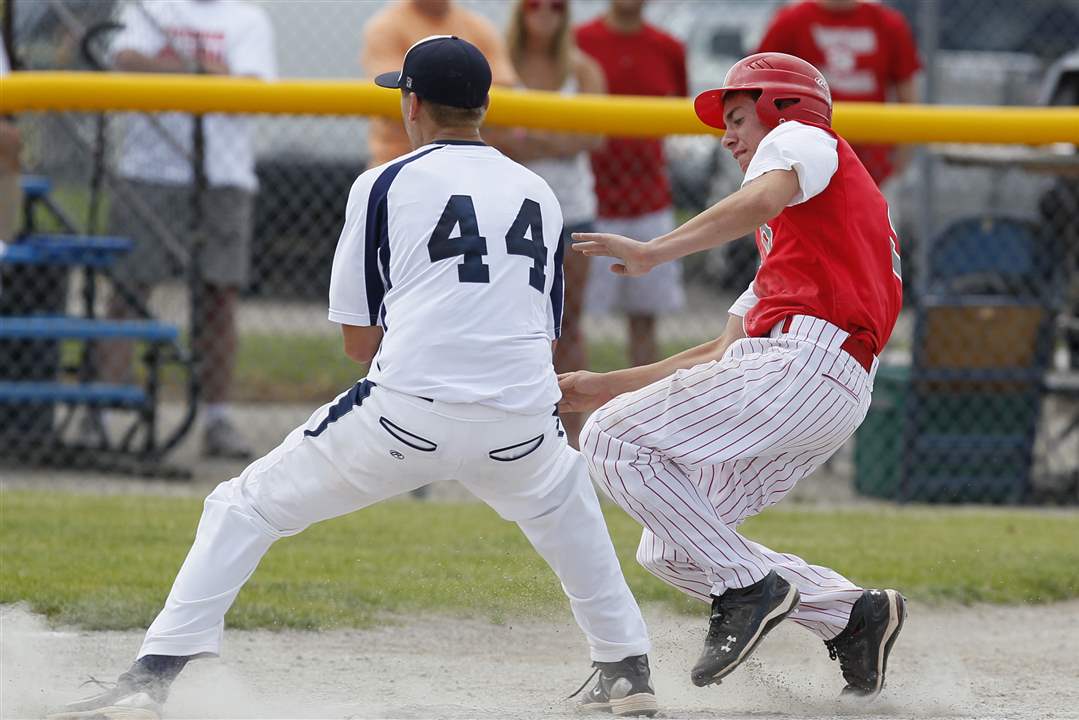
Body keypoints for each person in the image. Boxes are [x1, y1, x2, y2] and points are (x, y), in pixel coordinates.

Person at [49, 36, 657, 720]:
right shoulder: (537, 190)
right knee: (563, 501)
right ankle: (625, 666)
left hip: (406, 415)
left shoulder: (385, 180)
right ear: (485, 105)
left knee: (242, 506)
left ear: (413, 104)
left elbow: (357, 341)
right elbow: (542, 332)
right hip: (523, 416)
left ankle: (157, 671)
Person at [561, 53, 907, 698]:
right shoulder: (796, 237)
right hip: (818, 382)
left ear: (784, 106)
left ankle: (748, 588)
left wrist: (653, 250)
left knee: (609, 439)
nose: (728, 136)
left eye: (740, 117)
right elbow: (720, 352)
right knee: (668, 549)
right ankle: (851, 613)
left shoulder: (805, 138)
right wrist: (603, 384)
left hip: (805, 365)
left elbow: (761, 197)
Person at [95, 0, 276, 459]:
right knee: (129, 289)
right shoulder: (149, 8)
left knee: (220, 296)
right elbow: (126, 62)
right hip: (150, 172)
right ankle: (106, 408)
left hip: (224, 174)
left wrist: (176, 67)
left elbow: (251, 90)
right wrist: (207, 71)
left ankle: (216, 418)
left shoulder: (247, 19)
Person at [500, 0, 606, 448]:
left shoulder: (582, 69)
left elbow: (593, 135)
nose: (544, 14)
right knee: (512, 320)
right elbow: (493, 135)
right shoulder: (501, 64)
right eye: (534, 6)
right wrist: (555, 139)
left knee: (568, 321)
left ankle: (571, 434)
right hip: (513, 213)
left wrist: (528, 136)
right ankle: (515, 425)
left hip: (572, 209)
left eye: (556, 7)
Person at [575, 0, 687, 368]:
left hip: (649, 201)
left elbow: (681, 116)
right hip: (589, 203)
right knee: (572, 322)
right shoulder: (580, 42)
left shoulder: (668, 47)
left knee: (644, 321)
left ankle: (642, 414)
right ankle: (575, 420)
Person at [756, 0, 921, 188]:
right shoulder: (791, 20)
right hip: (805, 154)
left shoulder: (887, 22)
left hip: (872, 158)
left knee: (873, 214)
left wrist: (903, 151)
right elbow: (762, 84)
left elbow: (906, 91)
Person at [360, 0, 517, 168]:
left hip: (472, 160)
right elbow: (393, 96)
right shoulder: (387, 26)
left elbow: (505, 89)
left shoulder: (478, 27)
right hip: (400, 157)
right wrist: (462, 109)